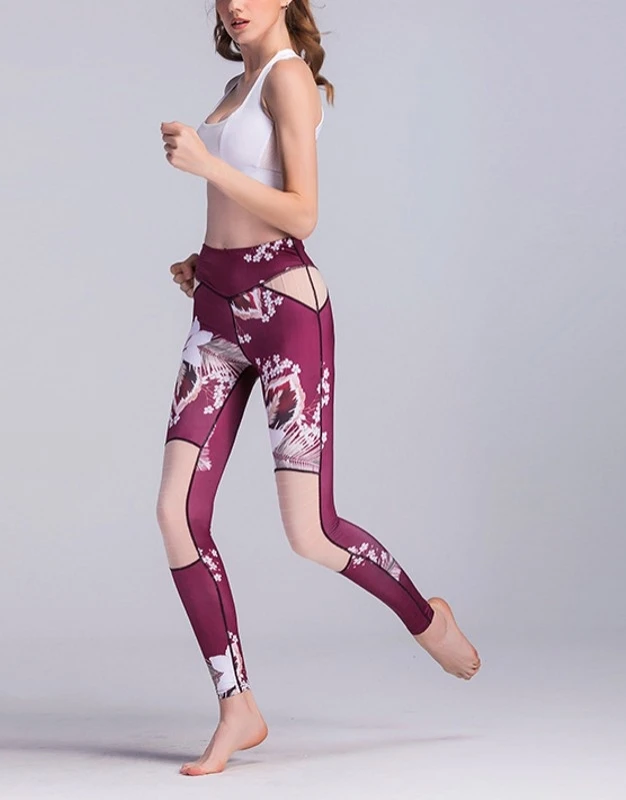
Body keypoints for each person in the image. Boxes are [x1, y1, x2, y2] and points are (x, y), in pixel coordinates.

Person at [157, 0, 481, 777]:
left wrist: (207, 164)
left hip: (285, 315)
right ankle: (238, 706)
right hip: (216, 311)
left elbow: (303, 213)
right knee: (176, 514)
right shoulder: (235, 88)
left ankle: (424, 617)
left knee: (311, 533)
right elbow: (238, 208)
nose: (235, 4)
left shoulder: (288, 78)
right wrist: (206, 261)